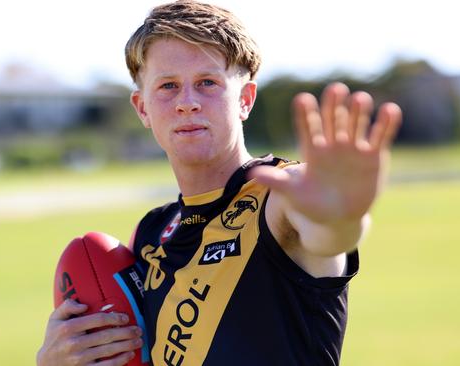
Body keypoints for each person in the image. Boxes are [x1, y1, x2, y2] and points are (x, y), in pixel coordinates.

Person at [37, 1, 402, 365]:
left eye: (207, 83)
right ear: (142, 107)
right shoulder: (151, 234)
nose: (188, 103)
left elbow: (327, 233)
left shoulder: (279, 197)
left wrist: (340, 215)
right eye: (168, 86)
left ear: (245, 99)